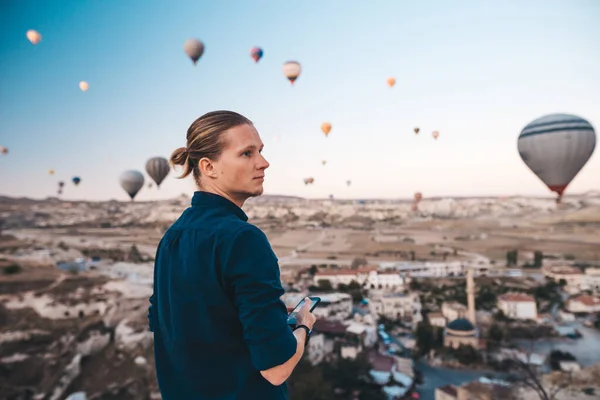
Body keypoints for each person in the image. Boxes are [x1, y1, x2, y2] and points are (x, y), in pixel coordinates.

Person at [147, 110, 317, 400]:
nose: (264, 162)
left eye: (260, 151)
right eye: (247, 153)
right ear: (208, 167)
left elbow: (180, 324)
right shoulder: (242, 239)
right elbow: (276, 369)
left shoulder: (172, 238)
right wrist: (302, 325)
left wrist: (264, 319)